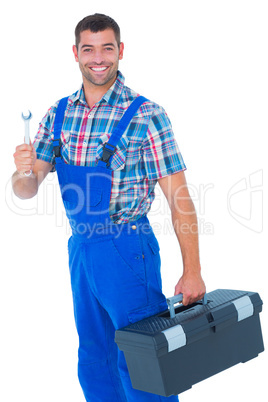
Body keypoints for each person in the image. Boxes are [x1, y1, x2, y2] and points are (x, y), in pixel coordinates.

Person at [12, 13, 206, 402]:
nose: (97, 57)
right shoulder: (60, 113)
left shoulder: (146, 115)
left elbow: (179, 199)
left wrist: (193, 271)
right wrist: (22, 172)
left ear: (120, 51)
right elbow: (27, 190)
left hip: (128, 248)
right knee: (95, 359)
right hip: (81, 250)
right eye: (89, 48)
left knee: (142, 361)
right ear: (76, 53)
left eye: (106, 48)